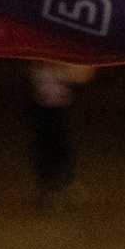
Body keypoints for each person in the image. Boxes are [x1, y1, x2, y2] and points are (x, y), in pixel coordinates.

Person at [28, 59, 90, 208]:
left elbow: (83, 75)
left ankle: (63, 187)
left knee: (63, 148)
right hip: (42, 110)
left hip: (61, 109)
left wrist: (65, 67)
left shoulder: (62, 63)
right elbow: (33, 77)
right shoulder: (38, 63)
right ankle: (48, 189)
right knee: (45, 149)